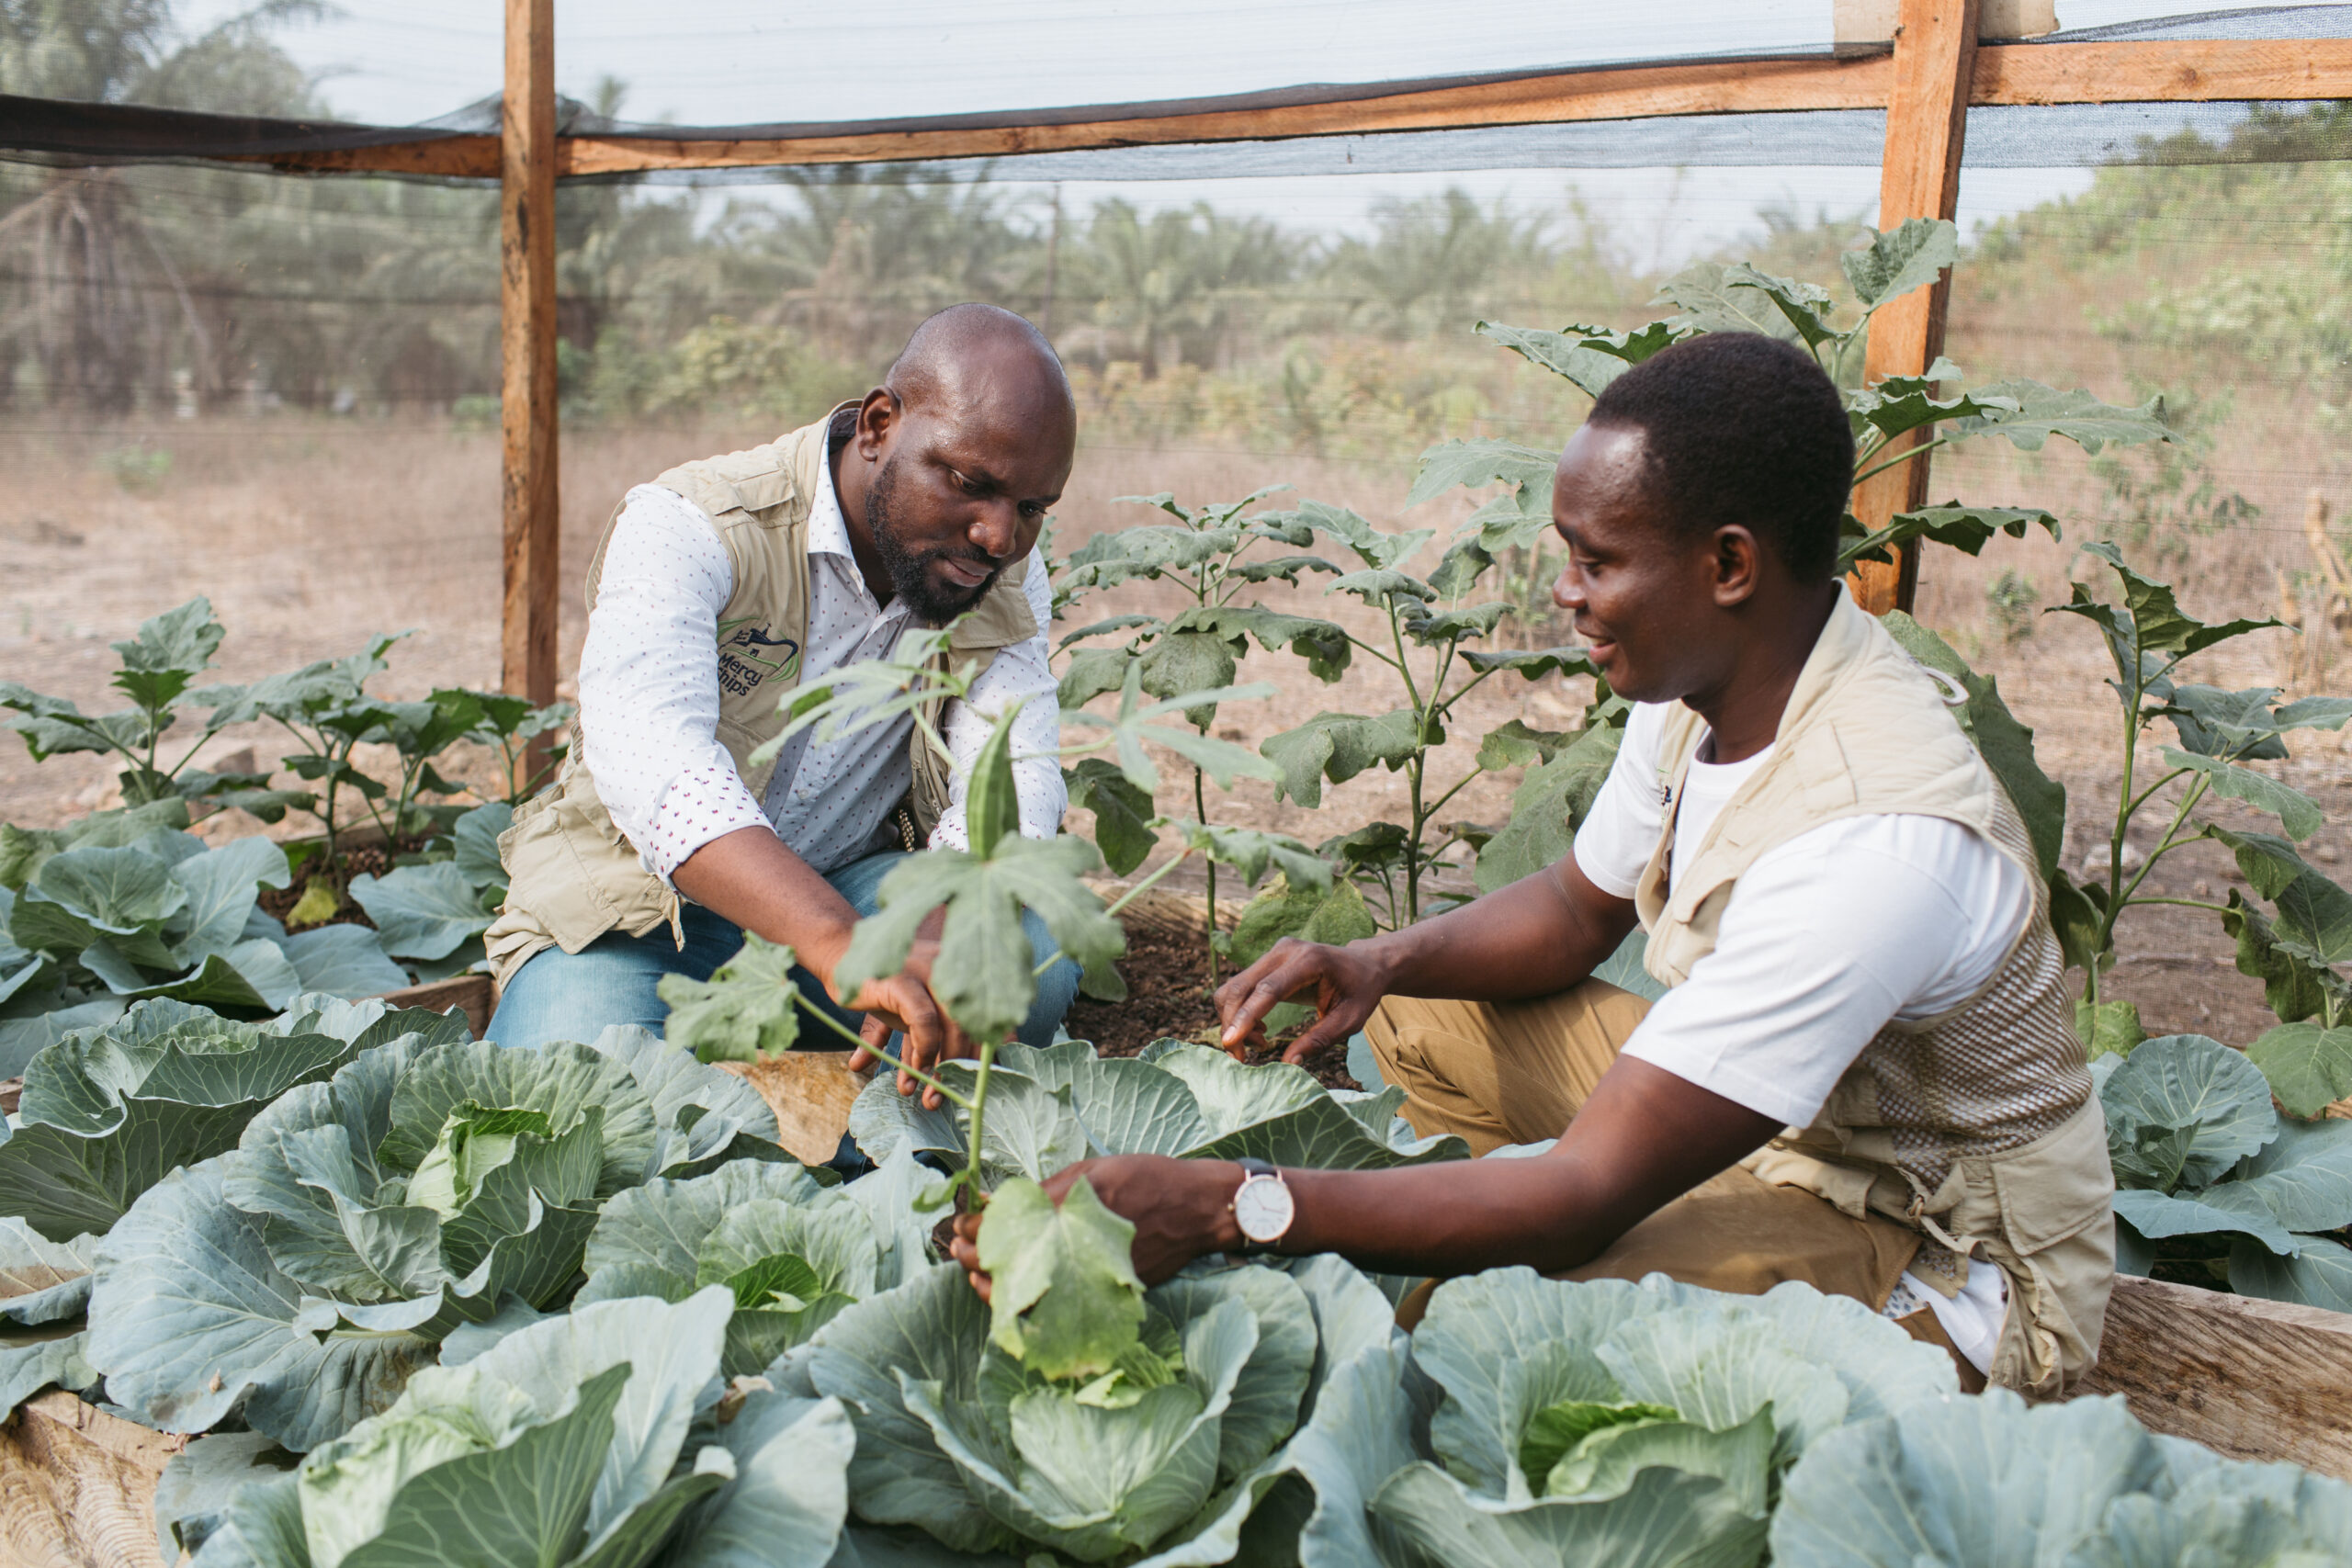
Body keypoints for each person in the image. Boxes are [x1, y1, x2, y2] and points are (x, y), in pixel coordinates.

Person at [952, 332, 2115, 1395]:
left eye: (1594, 559)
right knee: (1411, 1020)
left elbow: (1573, 1203)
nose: (1565, 592)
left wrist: (1226, 1206)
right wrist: (1375, 958)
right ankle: (1543, 1208)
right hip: (1781, 1130)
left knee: (1507, 1312)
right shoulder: (1715, 684)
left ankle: (1526, 1231)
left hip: (1933, 1243)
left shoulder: (1872, 842)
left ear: (1727, 564)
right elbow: (1570, 910)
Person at [486, 303, 1080, 1103]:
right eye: (971, 484)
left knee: (1029, 964)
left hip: (850, 888)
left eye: (1033, 508)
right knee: (561, 1093)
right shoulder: (692, 522)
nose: (999, 536)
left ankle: (835, 1068)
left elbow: (1015, 766)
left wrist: (943, 916)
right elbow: (654, 760)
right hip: (643, 916)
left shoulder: (997, 570)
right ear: (878, 426)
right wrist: (837, 940)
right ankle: (807, 1045)